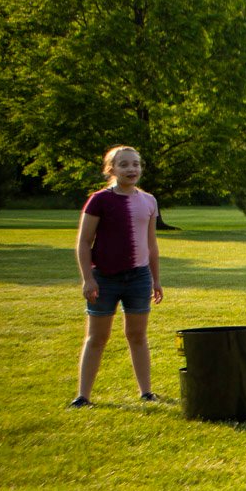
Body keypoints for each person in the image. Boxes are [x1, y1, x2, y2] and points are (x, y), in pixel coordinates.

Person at [72, 145, 163, 407]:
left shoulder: (149, 201)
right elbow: (84, 242)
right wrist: (88, 279)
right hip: (104, 278)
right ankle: (83, 396)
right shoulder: (99, 200)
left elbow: (152, 245)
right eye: (124, 164)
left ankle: (146, 392)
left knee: (137, 335)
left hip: (138, 278)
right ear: (111, 169)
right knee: (97, 337)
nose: (131, 169)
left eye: (135, 164)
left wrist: (155, 279)